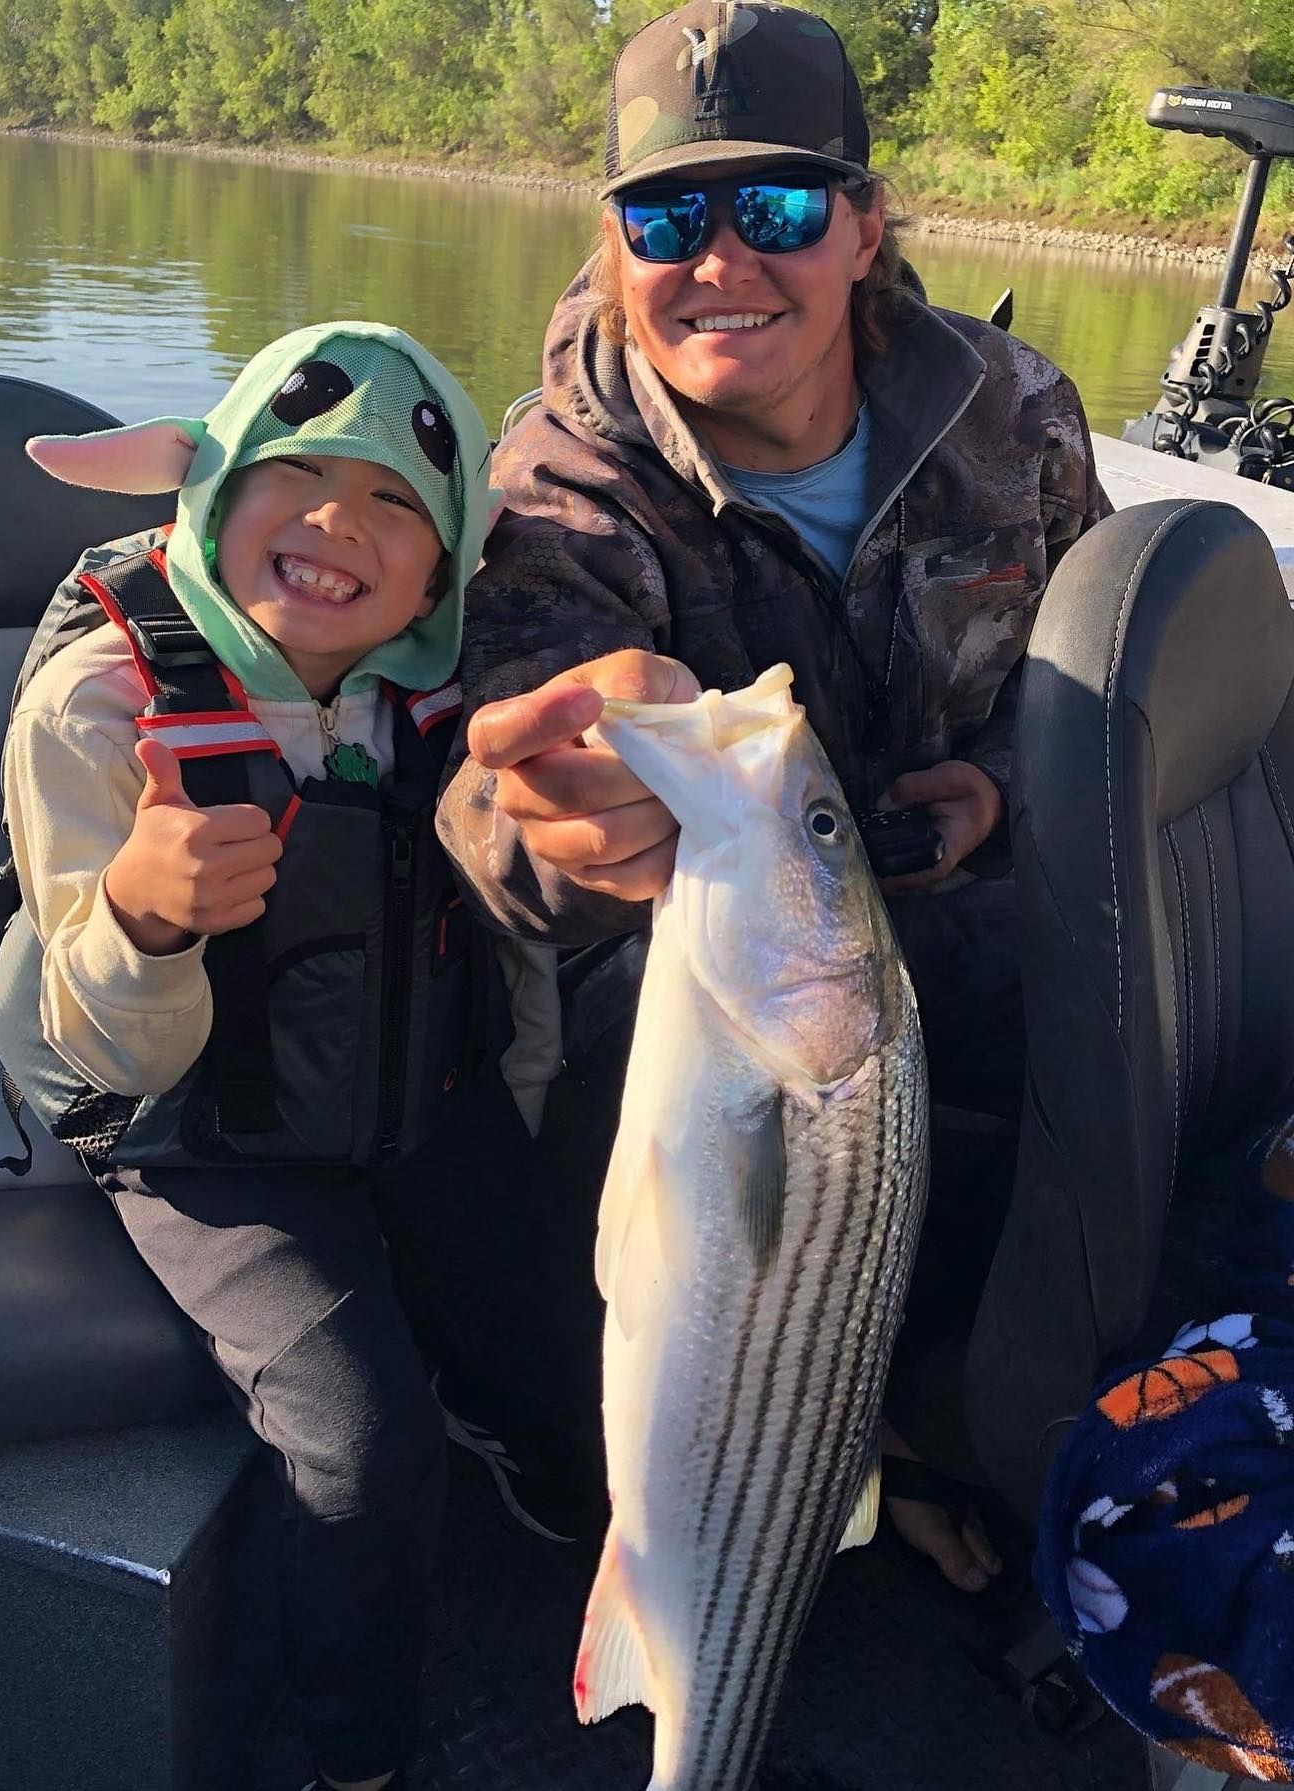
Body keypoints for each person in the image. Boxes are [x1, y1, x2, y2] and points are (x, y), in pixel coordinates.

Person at [437, 0, 1111, 1599]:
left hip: (961, 920)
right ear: (610, 248)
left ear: (867, 231)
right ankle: (626, 1466)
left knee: (1142, 1029)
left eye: (783, 208)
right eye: (668, 213)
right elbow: (501, 804)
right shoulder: (563, 486)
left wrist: (1002, 790)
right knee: (632, 1094)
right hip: (703, 991)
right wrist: (557, 827)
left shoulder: (1015, 416)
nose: (722, 258)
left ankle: (961, 1426)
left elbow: (1099, 691)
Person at [0, 322, 547, 1791]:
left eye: (393, 505)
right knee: (365, 1449)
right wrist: (144, 918)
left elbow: (509, 947)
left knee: (580, 1359)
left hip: (400, 1080)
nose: (332, 525)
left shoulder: (452, 693)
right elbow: (102, 1040)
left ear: (449, 566)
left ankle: (521, 1456)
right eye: (288, 475)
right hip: (188, 1121)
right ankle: (342, 1758)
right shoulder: (97, 707)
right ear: (205, 485)